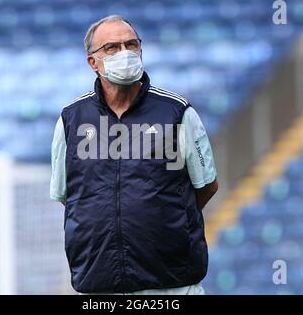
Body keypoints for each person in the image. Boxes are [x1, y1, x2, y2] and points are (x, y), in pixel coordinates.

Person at [50, 15, 218, 294]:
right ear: (93, 62)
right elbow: (69, 196)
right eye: (112, 48)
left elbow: (207, 185)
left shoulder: (176, 113)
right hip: (100, 286)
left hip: (171, 285)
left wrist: (165, 221)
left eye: (131, 44)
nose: (124, 53)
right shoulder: (71, 120)